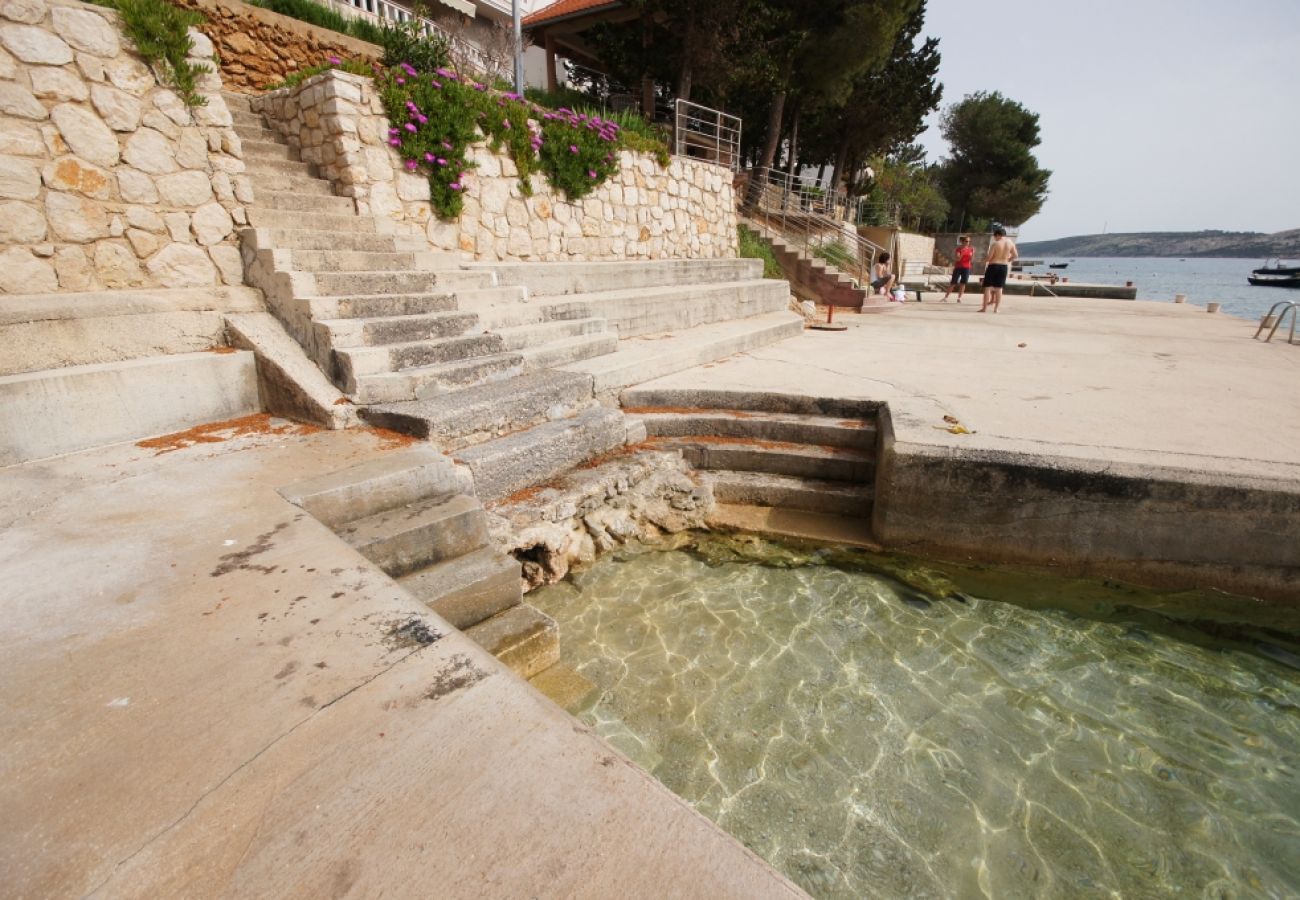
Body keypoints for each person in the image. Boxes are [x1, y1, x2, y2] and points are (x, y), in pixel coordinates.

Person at [980, 227, 1017, 313]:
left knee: (987, 287)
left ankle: (984, 308)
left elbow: (989, 257)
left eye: (995, 236)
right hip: (1003, 266)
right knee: (999, 288)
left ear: (997, 235)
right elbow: (1015, 255)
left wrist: (982, 261)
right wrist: (1008, 260)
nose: (995, 238)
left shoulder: (995, 244)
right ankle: (996, 309)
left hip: (993, 265)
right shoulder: (1010, 243)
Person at [942, 235, 974, 302]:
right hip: (958, 267)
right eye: (967, 241)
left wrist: (972, 254)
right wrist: (962, 253)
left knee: (963, 283)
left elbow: (971, 260)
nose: (968, 242)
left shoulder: (970, 249)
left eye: (969, 241)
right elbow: (958, 259)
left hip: (967, 267)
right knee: (953, 283)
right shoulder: (958, 249)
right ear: (962, 242)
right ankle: (946, 297)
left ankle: (959, 298)